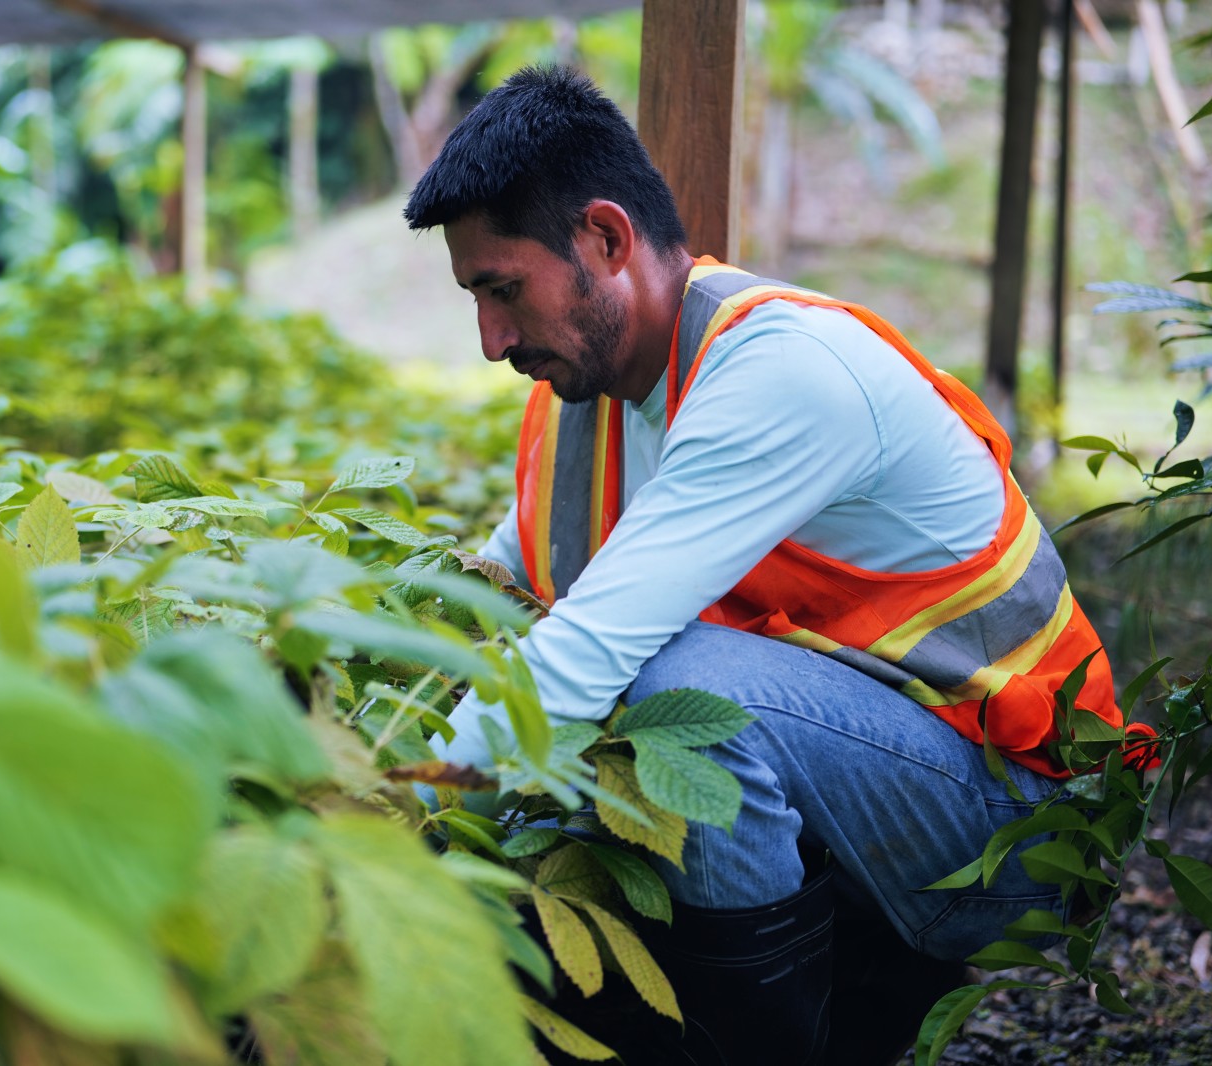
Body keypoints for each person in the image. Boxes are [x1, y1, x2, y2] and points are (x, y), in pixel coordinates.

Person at [402, 67, 1153, 1065]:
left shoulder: (782, 373)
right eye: (475, 298)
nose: (491, 338)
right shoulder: (591, 400)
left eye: (504, 290)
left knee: (681, 697)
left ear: (605, 239)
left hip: (1018, 831)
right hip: (880, 794)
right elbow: (502, 589)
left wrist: (392, 818)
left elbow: (581, 649)